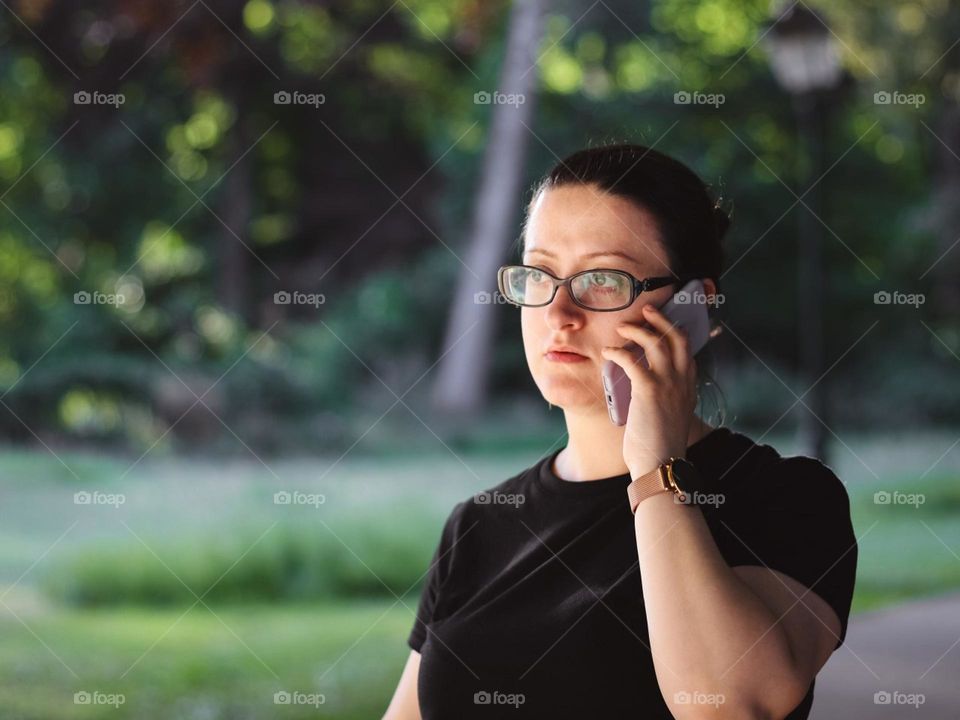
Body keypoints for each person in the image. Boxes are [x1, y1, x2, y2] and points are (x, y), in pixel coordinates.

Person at [383, 144, 857, 719]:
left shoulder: (787, 499)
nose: (559, 314)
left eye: (603, 279)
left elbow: (730, 707)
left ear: (694, 308)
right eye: (539, 273)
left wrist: (655, 460)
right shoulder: (479, 525)